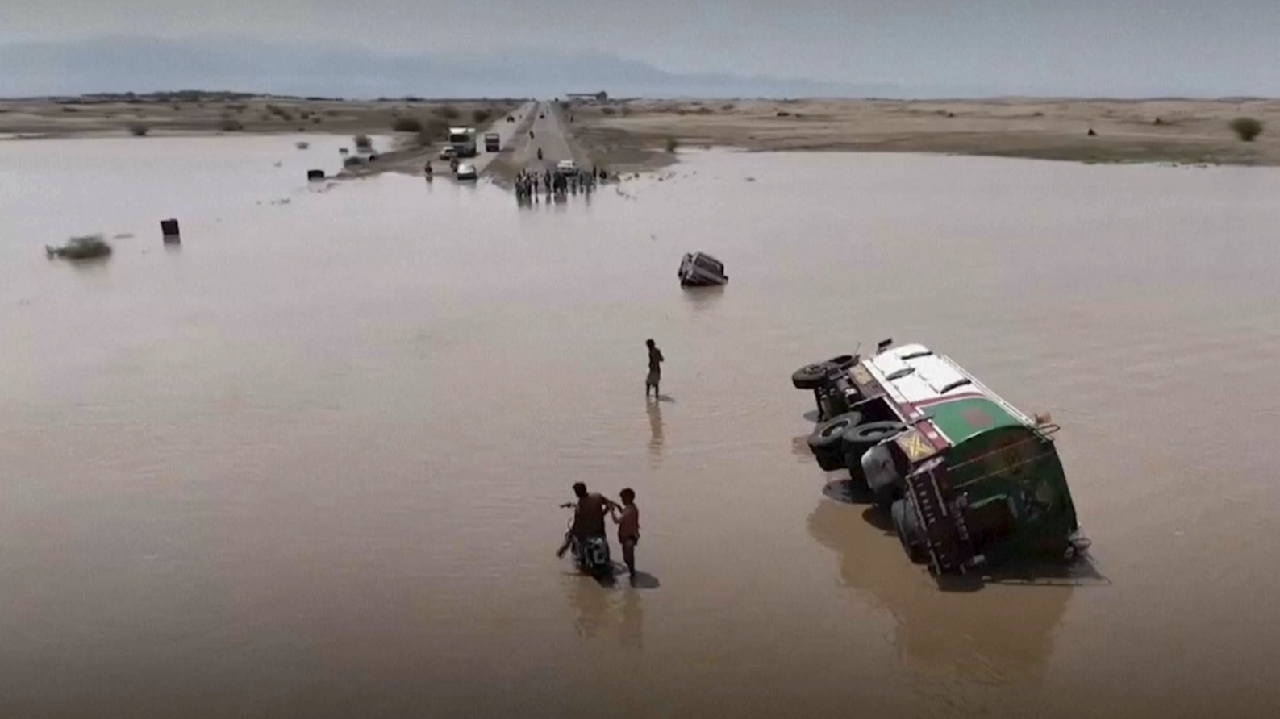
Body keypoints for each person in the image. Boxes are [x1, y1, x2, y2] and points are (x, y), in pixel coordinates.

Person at [557, 482, 615, 558]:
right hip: (599, 531)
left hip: (586, 534)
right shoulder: (597, 497)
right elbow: (610, 504)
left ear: (576, 493)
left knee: (569, 534)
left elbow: (576, 525)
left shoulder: (580, 506)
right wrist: (602, 514)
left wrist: (566, 545)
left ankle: (561, 552)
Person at [611, 488, 640, 581]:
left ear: (628, 498)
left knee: (628, 558)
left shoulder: (629, 511)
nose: (622, 500)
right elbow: (624, 513)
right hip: (629, 536)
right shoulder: (632, 507)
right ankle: (632, 574)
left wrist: (611, 511)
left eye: (623, 498)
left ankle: (633, 575)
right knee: (627, 557)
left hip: (629, 537)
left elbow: (616, 521)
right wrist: (619, 507)